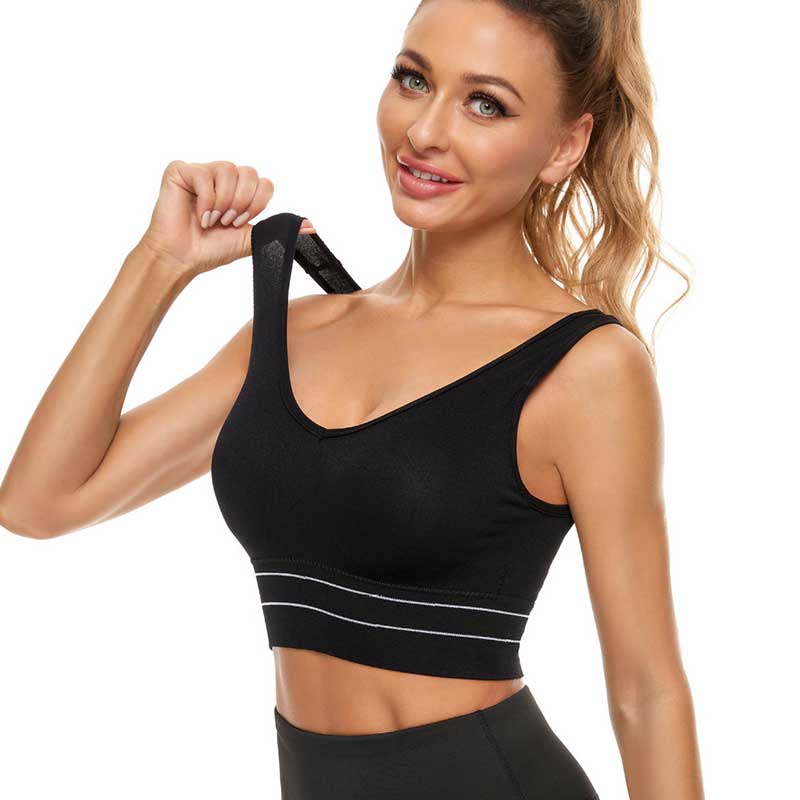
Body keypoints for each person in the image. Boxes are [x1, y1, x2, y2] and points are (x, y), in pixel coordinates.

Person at [0, 0, 705, 797]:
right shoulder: (295, 335)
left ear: (565, 145)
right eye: (414, 79)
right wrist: (161, 261)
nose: (425, 131)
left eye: (486, 104)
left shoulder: (585, 367)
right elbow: (39, 501)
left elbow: (647, 692)